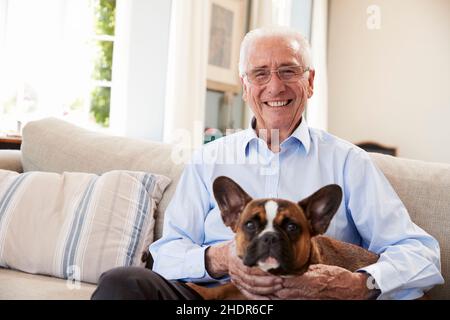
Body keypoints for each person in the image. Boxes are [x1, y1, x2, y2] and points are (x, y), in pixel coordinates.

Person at [92, 27, 444, 300]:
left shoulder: (348, 161)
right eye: (260, 74)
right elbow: (166, 253)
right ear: (245, 86)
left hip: (311, 297)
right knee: (123, 284)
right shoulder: (210, 159)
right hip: (215, 298)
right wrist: (218, 259)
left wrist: (360, 283)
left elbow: (421, 254)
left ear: (309, 81)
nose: (275, 87)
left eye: (288, 71)